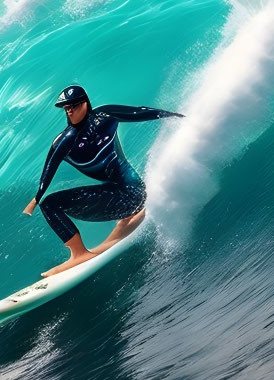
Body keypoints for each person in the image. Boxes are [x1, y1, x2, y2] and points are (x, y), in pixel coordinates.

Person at [23, 84, 183, 277]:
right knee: (47, 203)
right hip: (123, 196)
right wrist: (35, 199)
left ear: (85, 104)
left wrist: (173, 116)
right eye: (66, 108)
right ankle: (124, 226)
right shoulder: (65, 141)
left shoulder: (105, 116)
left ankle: (80, 254)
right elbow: (49, 169)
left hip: (133, 193)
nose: (70, 111)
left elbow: (138, 112)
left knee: (50, 204)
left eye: (73, 106)